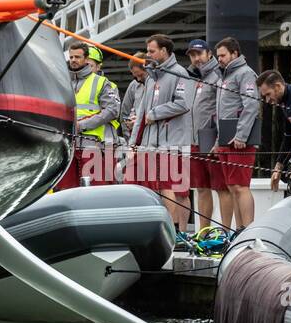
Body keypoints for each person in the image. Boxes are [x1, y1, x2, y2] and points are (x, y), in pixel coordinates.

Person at [127, 33, 193, 229]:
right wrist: (132, 144)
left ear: (164, 51)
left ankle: (178, 230)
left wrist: (155, 113)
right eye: (147, 51)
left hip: (174, 142)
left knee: (176, 189)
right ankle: (168, 230)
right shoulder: (150, 78)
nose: (148, 55)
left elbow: (183, 104)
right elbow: (141, 115)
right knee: (159, 187)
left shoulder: (180, 73)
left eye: (151, 51)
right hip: (151, 144)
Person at [211, 38, 260, 228]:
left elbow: (251, 105)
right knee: (232, 187)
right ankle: (238, 230)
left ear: (235, 53)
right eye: (218, 56)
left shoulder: (245, 74)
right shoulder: (223, 77)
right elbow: (221, 112)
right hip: (225, 139)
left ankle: (247, 229)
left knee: (241, 186)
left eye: (223, 55)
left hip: (240, 140)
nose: (220, 59)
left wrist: (241, 135)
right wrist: (217, 140)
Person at [58, 41, 121, 189]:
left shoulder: (101, 82)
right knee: (66, 190)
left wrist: (83, 125)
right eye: (71, 57)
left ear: (86, 59)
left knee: (96, 189)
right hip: (66, 145)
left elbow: (112, 110)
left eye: (77, 57)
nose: (73, 60)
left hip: (91, 144)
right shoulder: (63, 81)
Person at [184, 39, 222, 235]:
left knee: (221, 188)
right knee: (201, 188)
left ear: (209, 53)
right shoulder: (189, 77)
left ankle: (228, 231)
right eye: (192, 55)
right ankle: (203, 232)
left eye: (199, 54)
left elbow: (222, 108)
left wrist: (218, 139)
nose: (196, 59)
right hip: (193, 139)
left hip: (211, 137)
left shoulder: (218, 74)